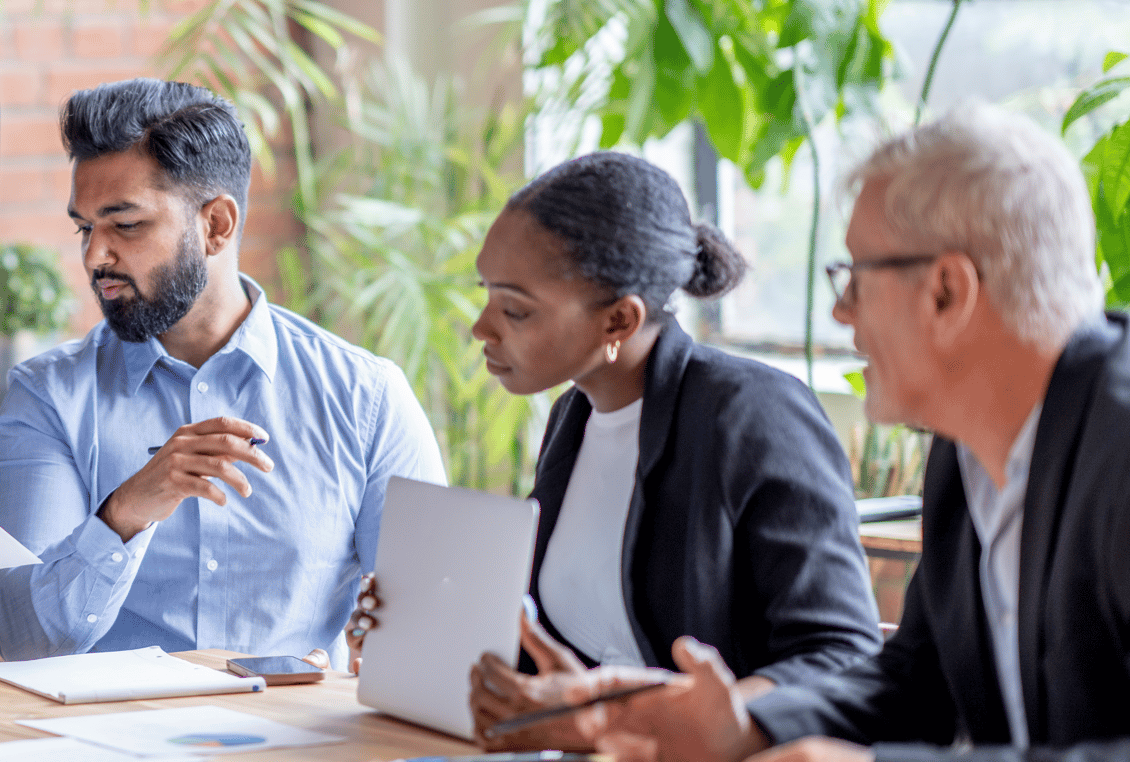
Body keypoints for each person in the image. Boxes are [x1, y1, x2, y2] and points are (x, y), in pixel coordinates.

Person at [592, 104, 1130, 762]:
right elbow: (915, 678)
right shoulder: (964, 449)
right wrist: (749, 724)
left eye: (855, 278)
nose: (842, 312)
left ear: (946, 292)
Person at [348, 151, 880, 749]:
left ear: (619, 321)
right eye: (488, 295)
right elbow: (574, 658)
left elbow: (842, 657)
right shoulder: (573, 418)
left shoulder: (753, 414)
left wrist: (634, 716)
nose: (481, 327)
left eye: (514, 309)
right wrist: (420, 642)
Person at [0, 79, 445, 666]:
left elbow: (435, 624)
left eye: (125, 225)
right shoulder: (47, 397)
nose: (95, 256)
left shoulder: (366, 398)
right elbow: (25, 640)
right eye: (85, 228)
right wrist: (126, 512)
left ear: (216, 225)